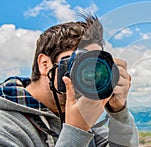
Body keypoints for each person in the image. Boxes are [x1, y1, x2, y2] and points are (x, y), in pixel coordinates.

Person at [0, 14, 138, 146]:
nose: (88, 75)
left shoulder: (82, 118)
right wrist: (76, 131)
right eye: (79, 63)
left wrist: (118, 111)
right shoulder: (6, 127)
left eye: (94, 66)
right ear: (44, 64)